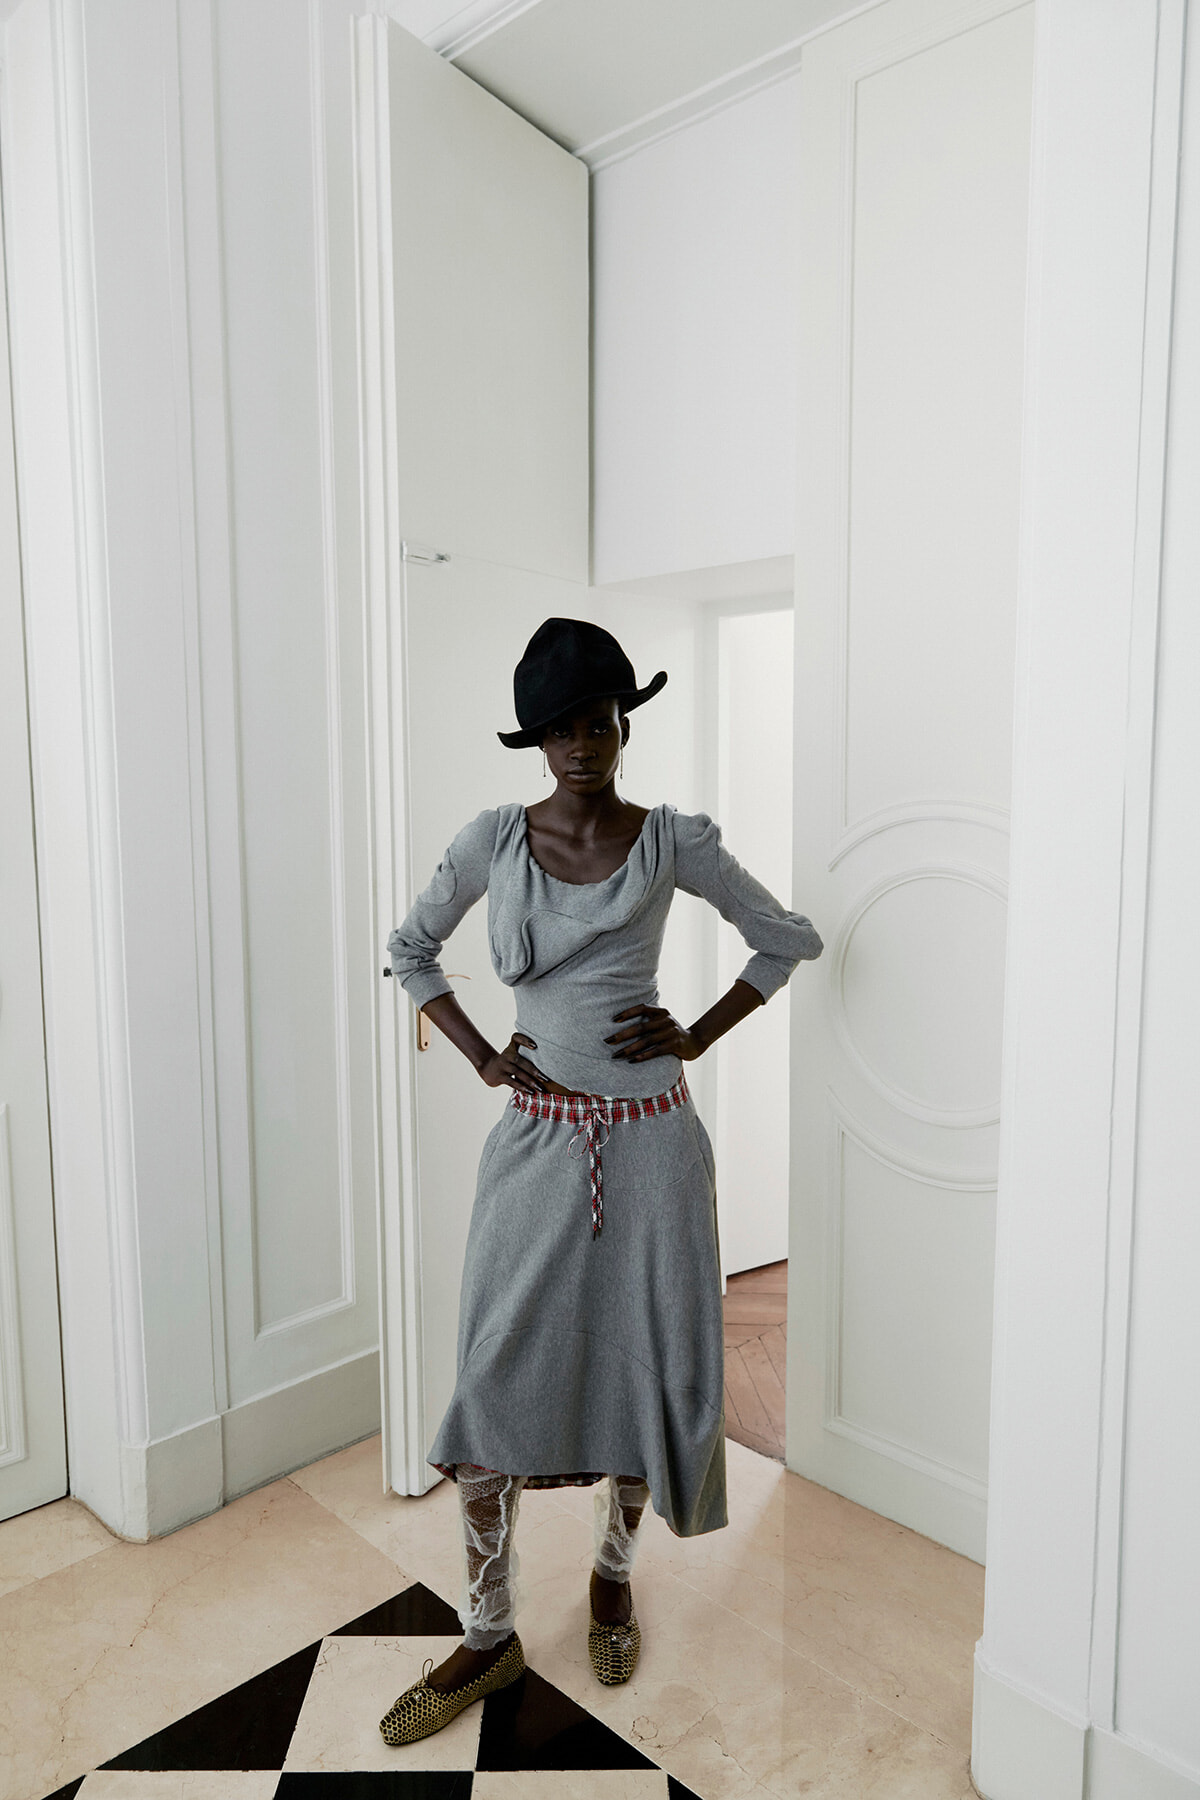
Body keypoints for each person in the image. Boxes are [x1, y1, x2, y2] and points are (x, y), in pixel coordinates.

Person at [379, 617, 822, 1747]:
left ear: (625, 723)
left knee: (639, 1376)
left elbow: (785, 939)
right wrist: (483, 1056)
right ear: (537, 740)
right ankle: (487, 1632)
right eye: (565, 725)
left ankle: (612, 1583)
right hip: (535, 1146)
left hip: (656, 1150)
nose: (588, 741)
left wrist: (701, 1033)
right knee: (491, 1384)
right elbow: (408, 949)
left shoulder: (675, 842)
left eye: (603, 718)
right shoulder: (493, 842)